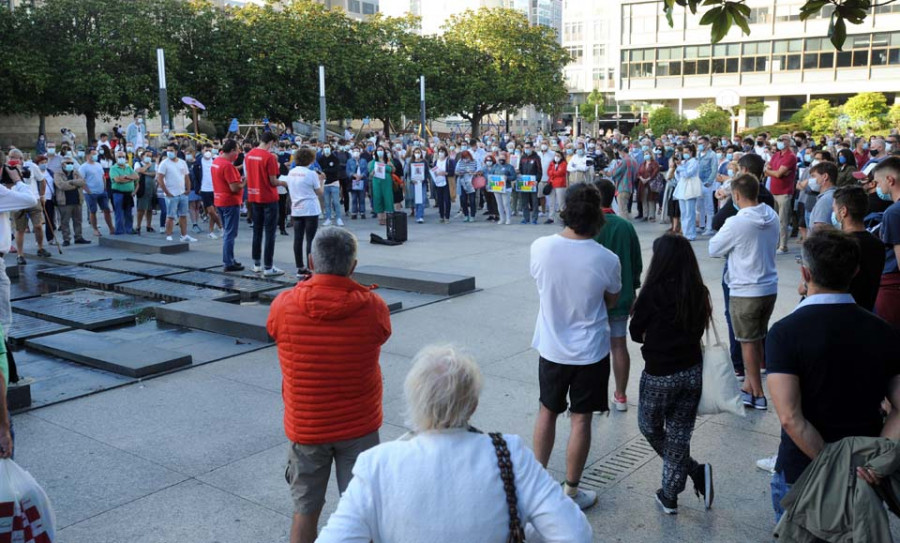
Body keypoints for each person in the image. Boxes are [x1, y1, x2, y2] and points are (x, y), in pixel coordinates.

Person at [316, 345, 592, 543]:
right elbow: (575, 534)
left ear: (414, 401)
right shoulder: (509, 454)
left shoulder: (376, 464)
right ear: (472, 405)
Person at [766, 229, 900, 523]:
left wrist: (833, 464)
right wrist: (876, 462)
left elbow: (790, 417)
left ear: (805, 272)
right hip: (864, 472)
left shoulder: (785, 333)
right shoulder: (883, 331)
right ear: (854, 272)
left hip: (803, 470)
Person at [267, 227, 391, 543]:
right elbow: (382, 334)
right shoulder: (373, 306)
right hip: (359, 426)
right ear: (353, 266)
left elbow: (273, 331)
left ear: (311, 261)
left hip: (307, 427)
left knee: (305, 511)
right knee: (363, 512)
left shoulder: (284, 304)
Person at [530, 183, 621, 510]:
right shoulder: (607, 259)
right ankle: (571, 490)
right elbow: (612, 299)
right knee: (581, 419)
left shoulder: (540, 247)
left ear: (565, 210)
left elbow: (540, 284)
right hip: (590, 351)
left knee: (547, 410)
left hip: (552, 347)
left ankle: (537, 485)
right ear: (597, 215)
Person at [630, 233, 714, 515]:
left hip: (660, 375)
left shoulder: (652, 292)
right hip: (691, 372)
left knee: (649, 427)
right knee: (679, 434)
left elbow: (634, 332)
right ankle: (669, 495)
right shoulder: (698, 291)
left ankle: (691, 472)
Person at [709, 174, 779, 410]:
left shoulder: (737, 222)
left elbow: (713, 247)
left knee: (747, 342)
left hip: (745, 288)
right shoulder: (771, 215)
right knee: (757, 336)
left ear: (736, 195)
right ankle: (749, 384)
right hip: (768, 286)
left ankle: (758, 392)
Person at [594, 179, 642, 413]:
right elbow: (636, 262)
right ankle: (621, 396)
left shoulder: (589, 226)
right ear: (613, 194)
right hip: (622, 296)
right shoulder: (625, 226)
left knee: (594, 348)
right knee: (619, 344)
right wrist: (632, 289)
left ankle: (594, 396)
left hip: (593, 298)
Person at [246, 133, 288, 276]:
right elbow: (273, 181)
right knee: (270, 233)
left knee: (257, 231)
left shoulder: (249, 154)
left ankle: (257, 264)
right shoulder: (269, 157)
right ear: (271, 142)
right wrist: (285, 183)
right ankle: (269, 267)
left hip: (254, 196)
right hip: (268, 197)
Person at [5, 150, 49, 262]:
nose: (13, 160)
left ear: (21, 159)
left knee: (38, 225)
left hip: (33, 199)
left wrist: (42, 195)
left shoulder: (32, 166)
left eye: (16, 158)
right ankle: (20, 255)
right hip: (17, 202)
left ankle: (40, 248)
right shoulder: (6, 169)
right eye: (11, 157)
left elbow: (42, 180)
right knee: (20, 229)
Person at [287, 148, 324, 277]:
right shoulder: (311, 173)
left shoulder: (291, 172)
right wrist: (322, 181)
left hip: (297, 208)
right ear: (311, 159)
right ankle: (311, 267)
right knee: (311, 239)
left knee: (298, 238)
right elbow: (319, 192)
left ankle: (300, 267)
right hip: (310, 208)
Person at [874, 157, 900, 327]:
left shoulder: (894, 213)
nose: (877, 187)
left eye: (878, 182)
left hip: (893, 288)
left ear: (890, 180)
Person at [211, 140, 245, 272]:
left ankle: (229, 258)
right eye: (237, 150)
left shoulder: (216, 162)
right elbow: (234, 187)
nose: (238, 153)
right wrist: (244, 182)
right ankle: (228, 262)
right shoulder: (227, 166)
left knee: (227, 232)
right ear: (231, 151)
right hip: (230, 202)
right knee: (230, 233)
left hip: (219, 200)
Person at [156, 143, 197, 243]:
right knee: (170, 216)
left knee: (183, 215)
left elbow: (186, 176)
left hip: (182, 193)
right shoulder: (164, 163)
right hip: (171, 194)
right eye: (168, 150)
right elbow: (160, 178)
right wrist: (166, 192)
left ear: (176, 151)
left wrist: (188, 188)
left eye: (171, 150)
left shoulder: (182, 162)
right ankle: (169, 235)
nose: (169, 152)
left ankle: (184, 235)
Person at [765, 135, 798, 254]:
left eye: (783, 140)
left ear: (789, 142)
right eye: (779, 140)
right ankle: (776, 243)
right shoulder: (776, 155)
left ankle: (783, 245)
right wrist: (773, 172)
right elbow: (768, 169)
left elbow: (779, 174)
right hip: (773, 190)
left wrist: (771, 172)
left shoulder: (791, 156)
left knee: (783, 220)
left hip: (785, 192)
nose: (780, 142)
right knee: (774, 220)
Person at [54, 156, 90, 246]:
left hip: (77, 199)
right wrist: (75, 184)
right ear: (62, 164)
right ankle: (66, 239)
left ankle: (78, 237)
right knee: (65, 221)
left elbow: (82, 182)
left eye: (71, 163)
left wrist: (71, 182)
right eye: (68, 163)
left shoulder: (76, 172)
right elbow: (61, 186)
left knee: (78, 220)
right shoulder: (58, 173)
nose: (70, 165)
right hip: (64, 201)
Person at [78, 148, 114, 238]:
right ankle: (95, 229)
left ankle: (111, 228)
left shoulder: (98, 165)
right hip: (90, 193)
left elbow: (103, 176)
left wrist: (105, 188)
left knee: (106, 210)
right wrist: (88, 191)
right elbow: (80, 181)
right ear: (87, 155)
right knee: (93, 211)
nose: (95, 156)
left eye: (95, 154)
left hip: (102, 191)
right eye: (93, 154)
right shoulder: (83, 167)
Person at [194, 144, 222, 239]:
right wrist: (197, 188)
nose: (208, 152)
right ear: (202, 150)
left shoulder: (215, 160)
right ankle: (221, 227)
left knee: (214, 211)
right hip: (205, 189)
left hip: (215, 188)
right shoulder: (198, 162)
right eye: (206, 150)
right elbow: (195, 177)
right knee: (210, 211)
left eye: (210, 150)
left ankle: (211, 232)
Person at [109, 150, 138, 235]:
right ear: (116, 158)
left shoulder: (128, 167)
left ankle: (129, 229)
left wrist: (125, 177)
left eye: (123, 157)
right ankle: (119, 231)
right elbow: (117, 180)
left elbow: (136, 176)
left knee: (129, 213)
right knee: (119, 213)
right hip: (118, 193)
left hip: (128, 194)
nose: (121, 159)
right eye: (119, 157)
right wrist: (130, 179)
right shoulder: (113, 168)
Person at [675, 144, 700, 241]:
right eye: (683, 152)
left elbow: (687, 174)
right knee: (684, 213)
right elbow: (678, 176)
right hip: (682, 189)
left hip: (690, 189)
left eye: (686, 152)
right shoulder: (683, 162)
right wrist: (678, 168)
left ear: (691, 152)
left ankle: (690, 234)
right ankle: (685, 232)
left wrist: (680, 168)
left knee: (690, 213)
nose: (684, 154)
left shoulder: (694, 162)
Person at [318, 143, 344, 227]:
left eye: (327, 147)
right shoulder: (320, 159)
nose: (326, 149)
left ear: (330, 148)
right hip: (325, 183)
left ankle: (338, 218)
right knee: (327, 202)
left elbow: (336, 169)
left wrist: (326, 170)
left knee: (336, 202)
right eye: (324, 147)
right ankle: (328, 219)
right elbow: (319, 170)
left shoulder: (335, 158)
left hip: (334, 182)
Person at [807, 161, 838, 230]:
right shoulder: (834, 194)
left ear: (825, 176)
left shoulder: (825, 199)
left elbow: (819, 228)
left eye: (813, 176)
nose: (810, 180)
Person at [518, 142, 543, 225]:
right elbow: (520, 168)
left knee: (534, 201)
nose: (526, 149)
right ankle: (526, 218)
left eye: (528, 147)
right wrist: (519, 175)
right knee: (524, 201)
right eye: (525, 147)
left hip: (533, 182)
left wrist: (537, 180)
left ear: (532, 148)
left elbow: (539, 171)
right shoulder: (522, 157)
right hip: (524, 182)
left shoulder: (536, 158)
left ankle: (534, 218)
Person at [134, 150, 158, 234]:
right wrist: (147, 166)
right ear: (142, 156)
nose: (149, 157)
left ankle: (149, 225)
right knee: (141, 208)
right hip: (142, 188)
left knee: (150, 208)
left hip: (152, 188)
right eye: (147, 155)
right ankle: (138, 226)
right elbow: (138, 171)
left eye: (150, 156)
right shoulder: (138, 163)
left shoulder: (154, 164)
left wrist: (145, 172)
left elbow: (154, 174)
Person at [454, 150, 478, 222]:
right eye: (464, 157)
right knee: (463, 200)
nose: (465, 159)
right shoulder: (460, 161)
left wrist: (473, 173)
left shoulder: (474, 162)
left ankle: (472, 215)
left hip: (471, 182)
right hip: (462, 182)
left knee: (472, 200)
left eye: (467, 157)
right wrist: (459, 173)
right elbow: (456, 171)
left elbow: (478, 171)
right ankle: (466, 215)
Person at [430, 147, 453, 223]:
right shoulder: (436, 161)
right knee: (440, 200)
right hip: (438, 183)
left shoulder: (449, 161)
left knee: (447, 200)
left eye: (442, 151)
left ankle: (447, 217)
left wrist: (445, 173)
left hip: (446, 183)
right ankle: (441, 216)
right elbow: (434, 170)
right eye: (439, 151)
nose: (441, 153)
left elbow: (452, 172)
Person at [345, 146, 367, 220]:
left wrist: (361, 176)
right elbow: (347, 171)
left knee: (362, 197)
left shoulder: (363, 160)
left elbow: (366, 170)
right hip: (353, 181)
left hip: (362, 180)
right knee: (354, 198)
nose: (356, 152)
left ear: (360, 152)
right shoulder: (349, 161)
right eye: (354, 151)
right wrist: (353, 175)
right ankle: (354, 212)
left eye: (357, 151)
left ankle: (362, 212)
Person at [546, 149, 567, 224]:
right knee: (551, 202)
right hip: (552, 183)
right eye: (555, 155)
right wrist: (553, 172)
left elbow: (560, 173)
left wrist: (553, 172)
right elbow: (548, 172)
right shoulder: (552, 163)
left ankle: (563, 217)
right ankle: (551, 217)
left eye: (558, 156)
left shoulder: (564, 163)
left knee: (561, 202)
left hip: (560, 184)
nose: (556, 157)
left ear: (561, 157)